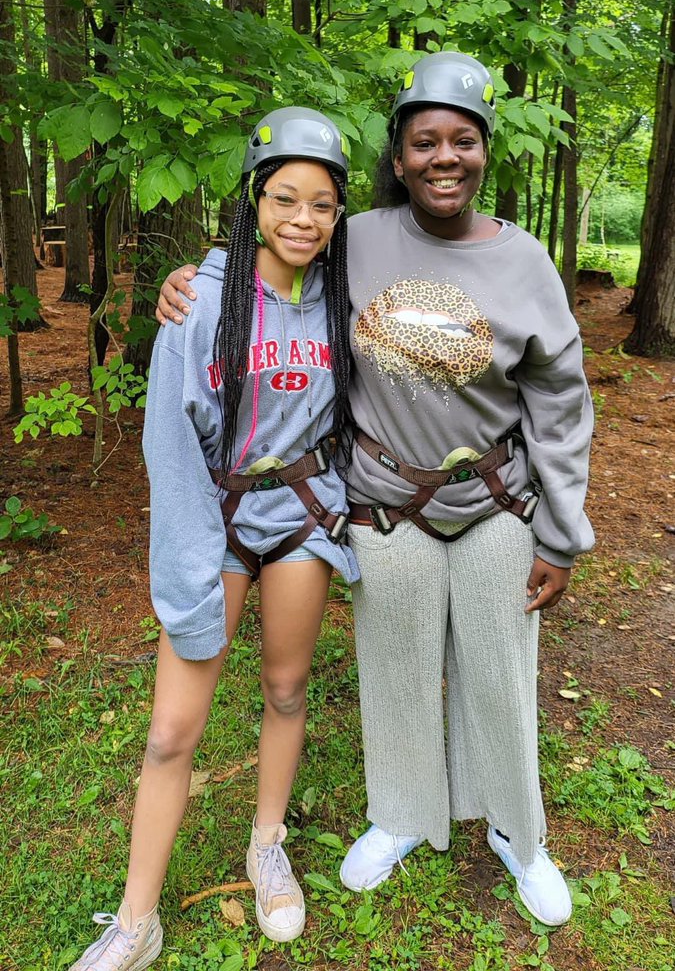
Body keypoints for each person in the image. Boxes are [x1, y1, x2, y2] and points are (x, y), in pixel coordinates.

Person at [156, 52, 594, 929]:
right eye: (423, 141)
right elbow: (278, 253)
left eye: (461, 141)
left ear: (483, 152)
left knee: (499, 669)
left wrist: (559, 530)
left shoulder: (523, 261)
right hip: (382, 500)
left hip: (497, 502)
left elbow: (559, 394)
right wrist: (195, 281)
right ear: (397, 157)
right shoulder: (357, 236)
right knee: (391, 664)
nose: (443, 157)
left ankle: (518, 831)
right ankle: (400, 814)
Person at [70, 107, 358, 971]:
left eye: (322, 204)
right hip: (218, 522)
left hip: (302, 514)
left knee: (284, 687)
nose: (302, 219)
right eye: (284, 198)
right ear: (253, 199)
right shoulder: (199, 300)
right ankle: (136, 920)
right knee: (170, 731)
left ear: (341, 214)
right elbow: (169, 448)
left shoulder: (347, 299)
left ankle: (266, 840)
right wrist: (190, 580)